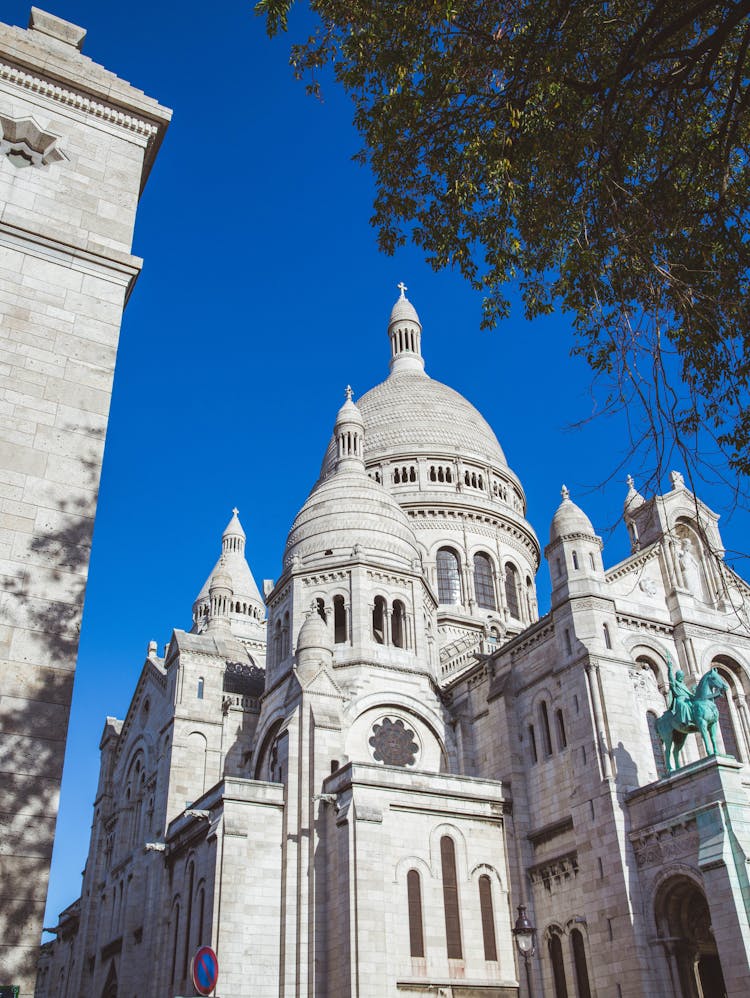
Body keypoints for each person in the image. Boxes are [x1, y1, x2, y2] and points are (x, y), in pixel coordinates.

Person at [667, 655, 695, 726]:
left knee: (696, 707)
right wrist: (670, 668)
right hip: (680, 699)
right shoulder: (675, 682)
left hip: (687, 699)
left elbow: (689, 693)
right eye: (680, 676)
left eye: (682, 676)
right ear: (677, 676)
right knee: (684, 706)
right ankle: (686, 721)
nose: (681, 677)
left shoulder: (683, 685)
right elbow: (670, 678)